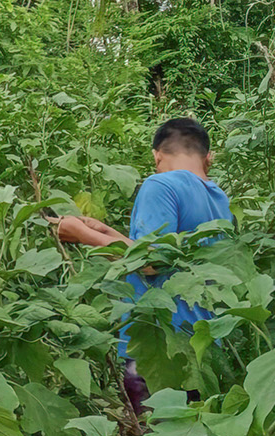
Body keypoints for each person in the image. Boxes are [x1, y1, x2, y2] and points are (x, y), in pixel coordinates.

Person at [51, 118, 230, 412]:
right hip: (203, 340)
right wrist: (104, 232)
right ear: (208, 157)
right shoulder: (217, 197)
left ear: (157, 155)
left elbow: (151, 264)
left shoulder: (160, 184)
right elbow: (172, 257)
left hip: (159, 341)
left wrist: (82, 235)